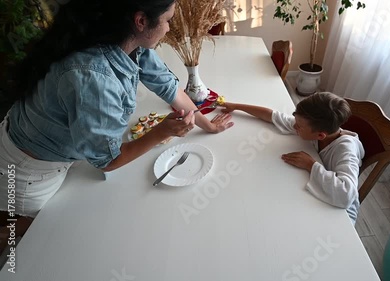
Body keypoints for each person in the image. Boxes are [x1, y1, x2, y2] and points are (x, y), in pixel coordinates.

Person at [0, 0, 233, 223]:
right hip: (28, 172)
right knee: (38, 233)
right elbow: (107, 161)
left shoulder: (127, 41)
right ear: (141, 21)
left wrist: (208, 124)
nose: (169, 27)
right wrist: (162, 131)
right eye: (168, 20)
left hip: (59, 150)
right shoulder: (94, 77)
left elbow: (169, 88)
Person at [221, 92, 365, 224]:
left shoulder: (346, 150)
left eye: (299, 126)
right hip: (317, 195)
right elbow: (273, 116)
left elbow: (346, 195)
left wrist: (311, 165)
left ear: (321, 135)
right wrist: (236, 106)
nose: (294, 126)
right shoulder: (311, 128)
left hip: (341, 214)